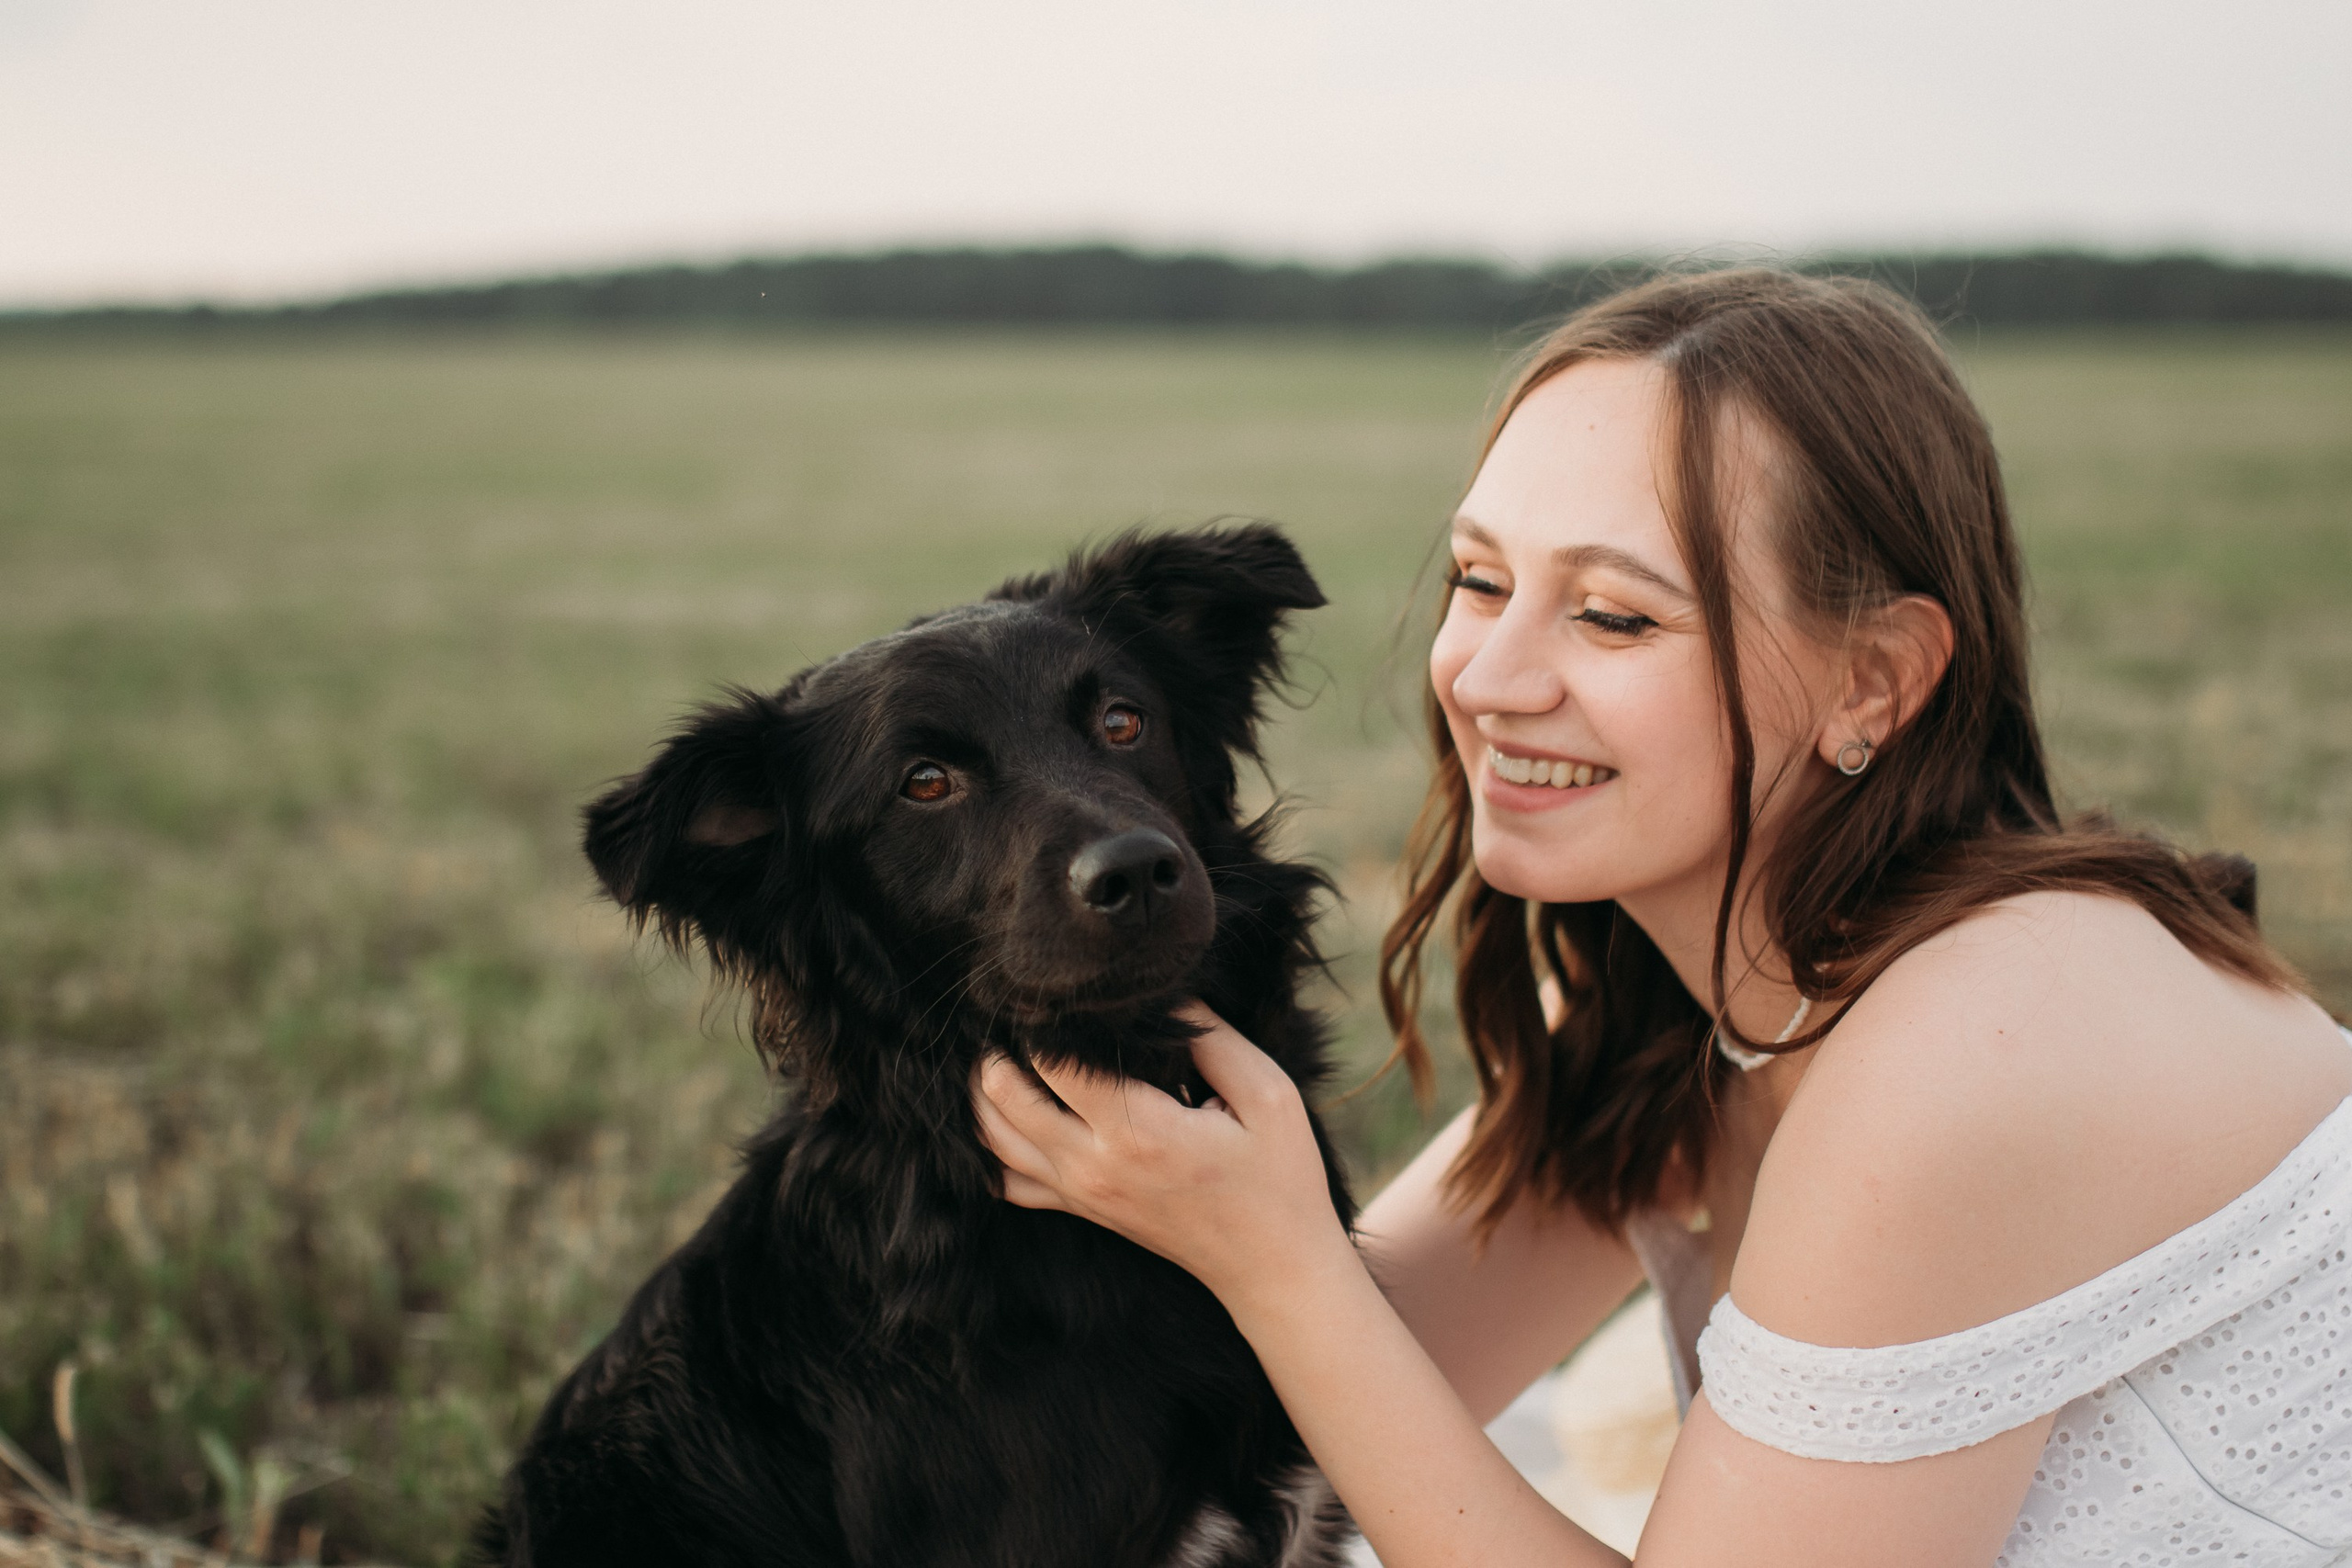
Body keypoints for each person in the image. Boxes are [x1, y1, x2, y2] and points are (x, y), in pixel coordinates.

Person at [972, 268, 2352, 1567]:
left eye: (1615, 618)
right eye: (1481, 580)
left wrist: (1277, 1258)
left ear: (1875, 682)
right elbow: (1313, 1418)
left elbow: (1323, 1342)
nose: (1491, 680)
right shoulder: (1693, 1003)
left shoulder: (1981, 1039)